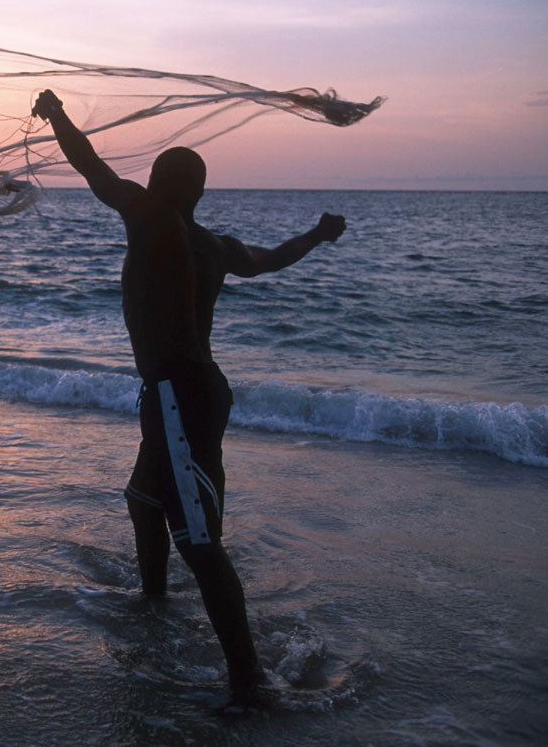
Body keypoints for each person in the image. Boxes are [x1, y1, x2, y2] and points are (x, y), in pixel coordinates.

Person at [31, 89, 345, 709]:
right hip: (184, 393)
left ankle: (249, 679)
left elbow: (91, 166)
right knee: (144, 501)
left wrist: (57, 114)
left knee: (199, 541)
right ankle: (153, 604)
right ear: (199, 192)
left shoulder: (149, 216)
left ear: (155, 184)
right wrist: (317, 233)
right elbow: (271, 258)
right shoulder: (217, 246)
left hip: (180, 394)